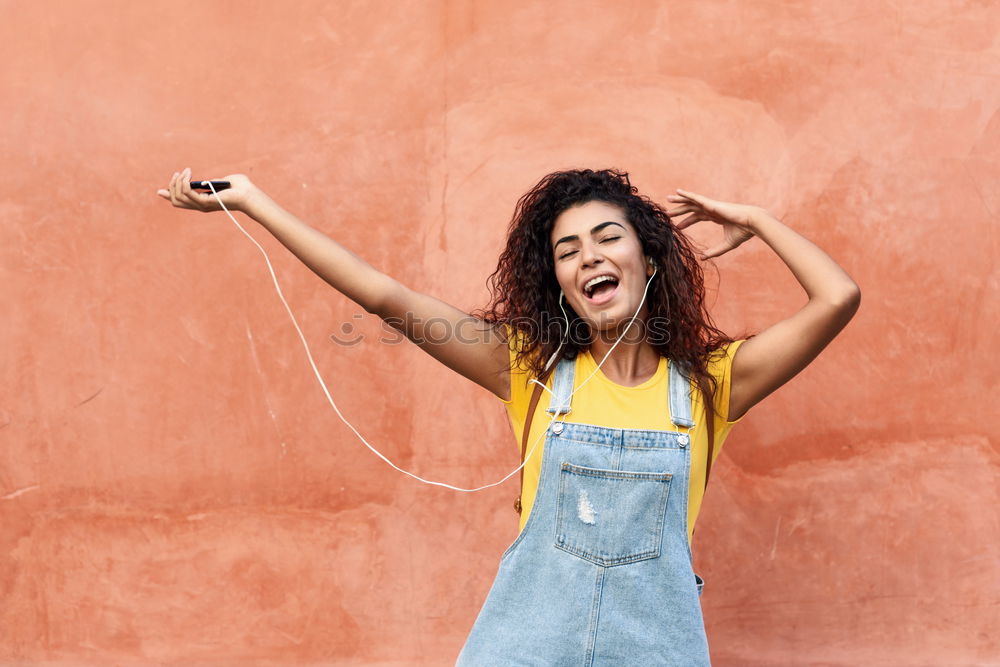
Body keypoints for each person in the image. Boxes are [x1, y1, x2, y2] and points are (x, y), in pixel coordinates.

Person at [158, 167, 860, 665]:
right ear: (557, 283)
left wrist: (760, 221)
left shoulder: (713, 385)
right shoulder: (526, 370)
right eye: (567, 250)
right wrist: (253, 201)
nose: (589, 257)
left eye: (607, 238)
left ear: (648, 258)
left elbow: (838, 298)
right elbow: (382, 293)